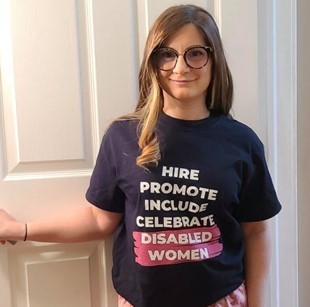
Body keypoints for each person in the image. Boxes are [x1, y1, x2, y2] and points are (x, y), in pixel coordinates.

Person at [0, 4, 281, 307]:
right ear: (153, 62)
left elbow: (255, 231)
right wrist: (22, 230)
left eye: (195, 53)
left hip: (220, 299)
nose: (180, 68)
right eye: (167, 54)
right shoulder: (123, 135)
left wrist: (259, 303)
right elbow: (98, 220)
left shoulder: (242, 142)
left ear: (214, 60)